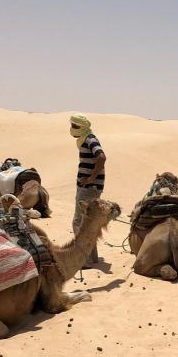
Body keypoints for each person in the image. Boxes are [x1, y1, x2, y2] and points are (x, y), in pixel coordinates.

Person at [70, 114, 106, 265]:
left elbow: (102, 157)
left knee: (79, 222)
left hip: (89, 188)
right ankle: (91, 257)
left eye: (75, 126)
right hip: (86, 187)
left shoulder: (90, 139)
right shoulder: (85, 139)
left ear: (82, 127)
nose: (72, 129)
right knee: (87, 222)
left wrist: (90, 179)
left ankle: (84, 259)